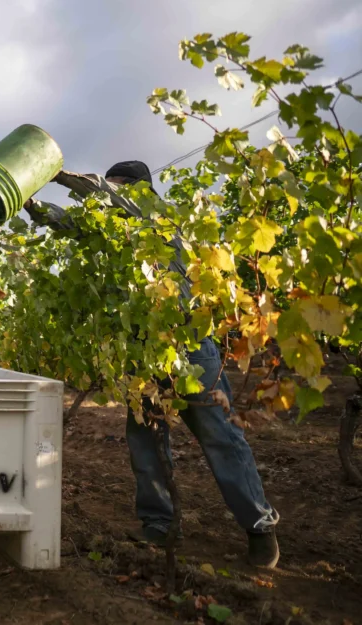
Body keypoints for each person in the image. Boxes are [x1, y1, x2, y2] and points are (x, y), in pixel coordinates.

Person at [24, 160, 281, 569]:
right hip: (142, 352)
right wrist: (31, 203)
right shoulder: (110, 231)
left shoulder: (154, 215)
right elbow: (69, 224)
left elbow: (102, 192)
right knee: (146, 439)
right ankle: (159, 524)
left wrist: (54, 172)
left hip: (191, 345)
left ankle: (260, 527)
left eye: (117, 187)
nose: (109, 197)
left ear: (136, 189)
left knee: (219, 436)